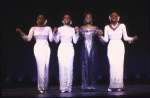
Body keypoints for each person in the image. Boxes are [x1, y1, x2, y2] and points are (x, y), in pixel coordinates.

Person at [99, 12, 138, 91]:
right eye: (112, 16)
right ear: (109, 17)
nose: (114, 17)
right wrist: (100, 36)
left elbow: (125, 37)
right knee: (112, 65)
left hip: (119, 46)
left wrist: (132, 38)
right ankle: (112, 85)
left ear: (118, 17)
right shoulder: (107, 27)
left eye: (115, 16)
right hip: (111, 46)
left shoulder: (122, 25)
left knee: (119, 65)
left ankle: (119, 86)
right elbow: (106, 40)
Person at [16, 15, 53, 93]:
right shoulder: (33, 28)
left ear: (44, 20)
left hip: (46, 48)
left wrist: (54, 32)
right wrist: (21, 32)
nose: (40, 19)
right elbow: (28, 38)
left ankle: (45, 87)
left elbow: (51, 39)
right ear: (37, 20)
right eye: (39, 18)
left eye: (42, 18)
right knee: (41, 66)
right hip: (38, 48)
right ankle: (41, 87)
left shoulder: (48, 28)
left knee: (46, 66)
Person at [53, 14, 79, 93]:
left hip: (70, 48)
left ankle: (69, 87)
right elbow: (56, 40)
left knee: (69, 67)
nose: (66, 19)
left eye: (68, 18)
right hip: (62, 48)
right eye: (65, 18)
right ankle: (63, 88)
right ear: (62, 20)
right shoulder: (59, 29)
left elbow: (75, 41)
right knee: (62, 67)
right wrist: (54, 33)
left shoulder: (72, 29)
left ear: (70, 20)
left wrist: (77, 33)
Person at [79, 12, 103, 90]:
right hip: (84, 48)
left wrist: (100, 35)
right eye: (86, 17)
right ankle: (85, 85)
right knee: (84, 65)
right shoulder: (81, 28)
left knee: (93, 66)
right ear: (84, 19)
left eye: (89, 17)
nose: (88, 18)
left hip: (93, 48)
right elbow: (77, 39)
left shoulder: (96, 28)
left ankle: (93, 85)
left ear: (92, 19)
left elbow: (101, 40)